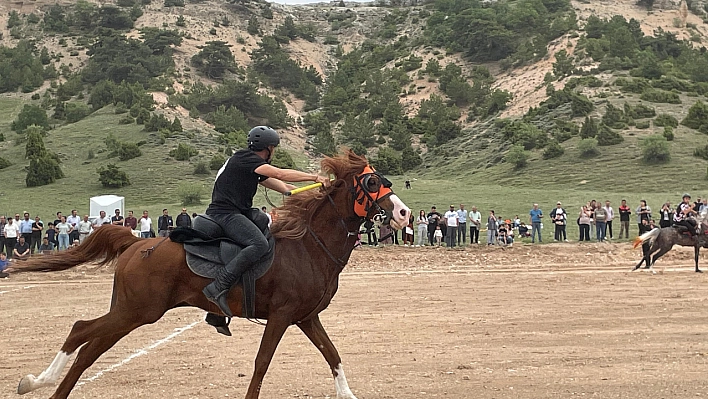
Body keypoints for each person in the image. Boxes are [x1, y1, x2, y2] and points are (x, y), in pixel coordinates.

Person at [202, 126, 331, 318]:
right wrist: (314, 177)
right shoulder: (245, 159)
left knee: (264, 223)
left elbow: (286, 188)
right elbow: (280, 174)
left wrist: (317, 194)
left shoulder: (253, 167)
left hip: (240, 212)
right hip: (224, 213)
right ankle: (218, 286)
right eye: (274, 148)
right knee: (258, 244)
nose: (274, 152)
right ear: (268, 148)